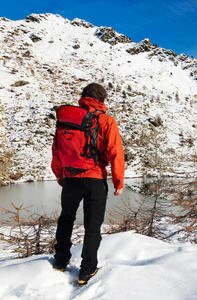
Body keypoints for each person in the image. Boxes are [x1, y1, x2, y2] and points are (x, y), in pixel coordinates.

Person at [51, 83, 125, 286]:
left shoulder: (66, 120)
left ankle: (60, 260)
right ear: (102, 100)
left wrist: (60, 174)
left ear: (83, 97)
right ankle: (87, 270)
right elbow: (115, 153)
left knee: (66, 219)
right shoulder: (106, 120)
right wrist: (119, 182)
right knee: (92, 226)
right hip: (95, 179)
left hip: (70, 179)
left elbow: (56, 149)